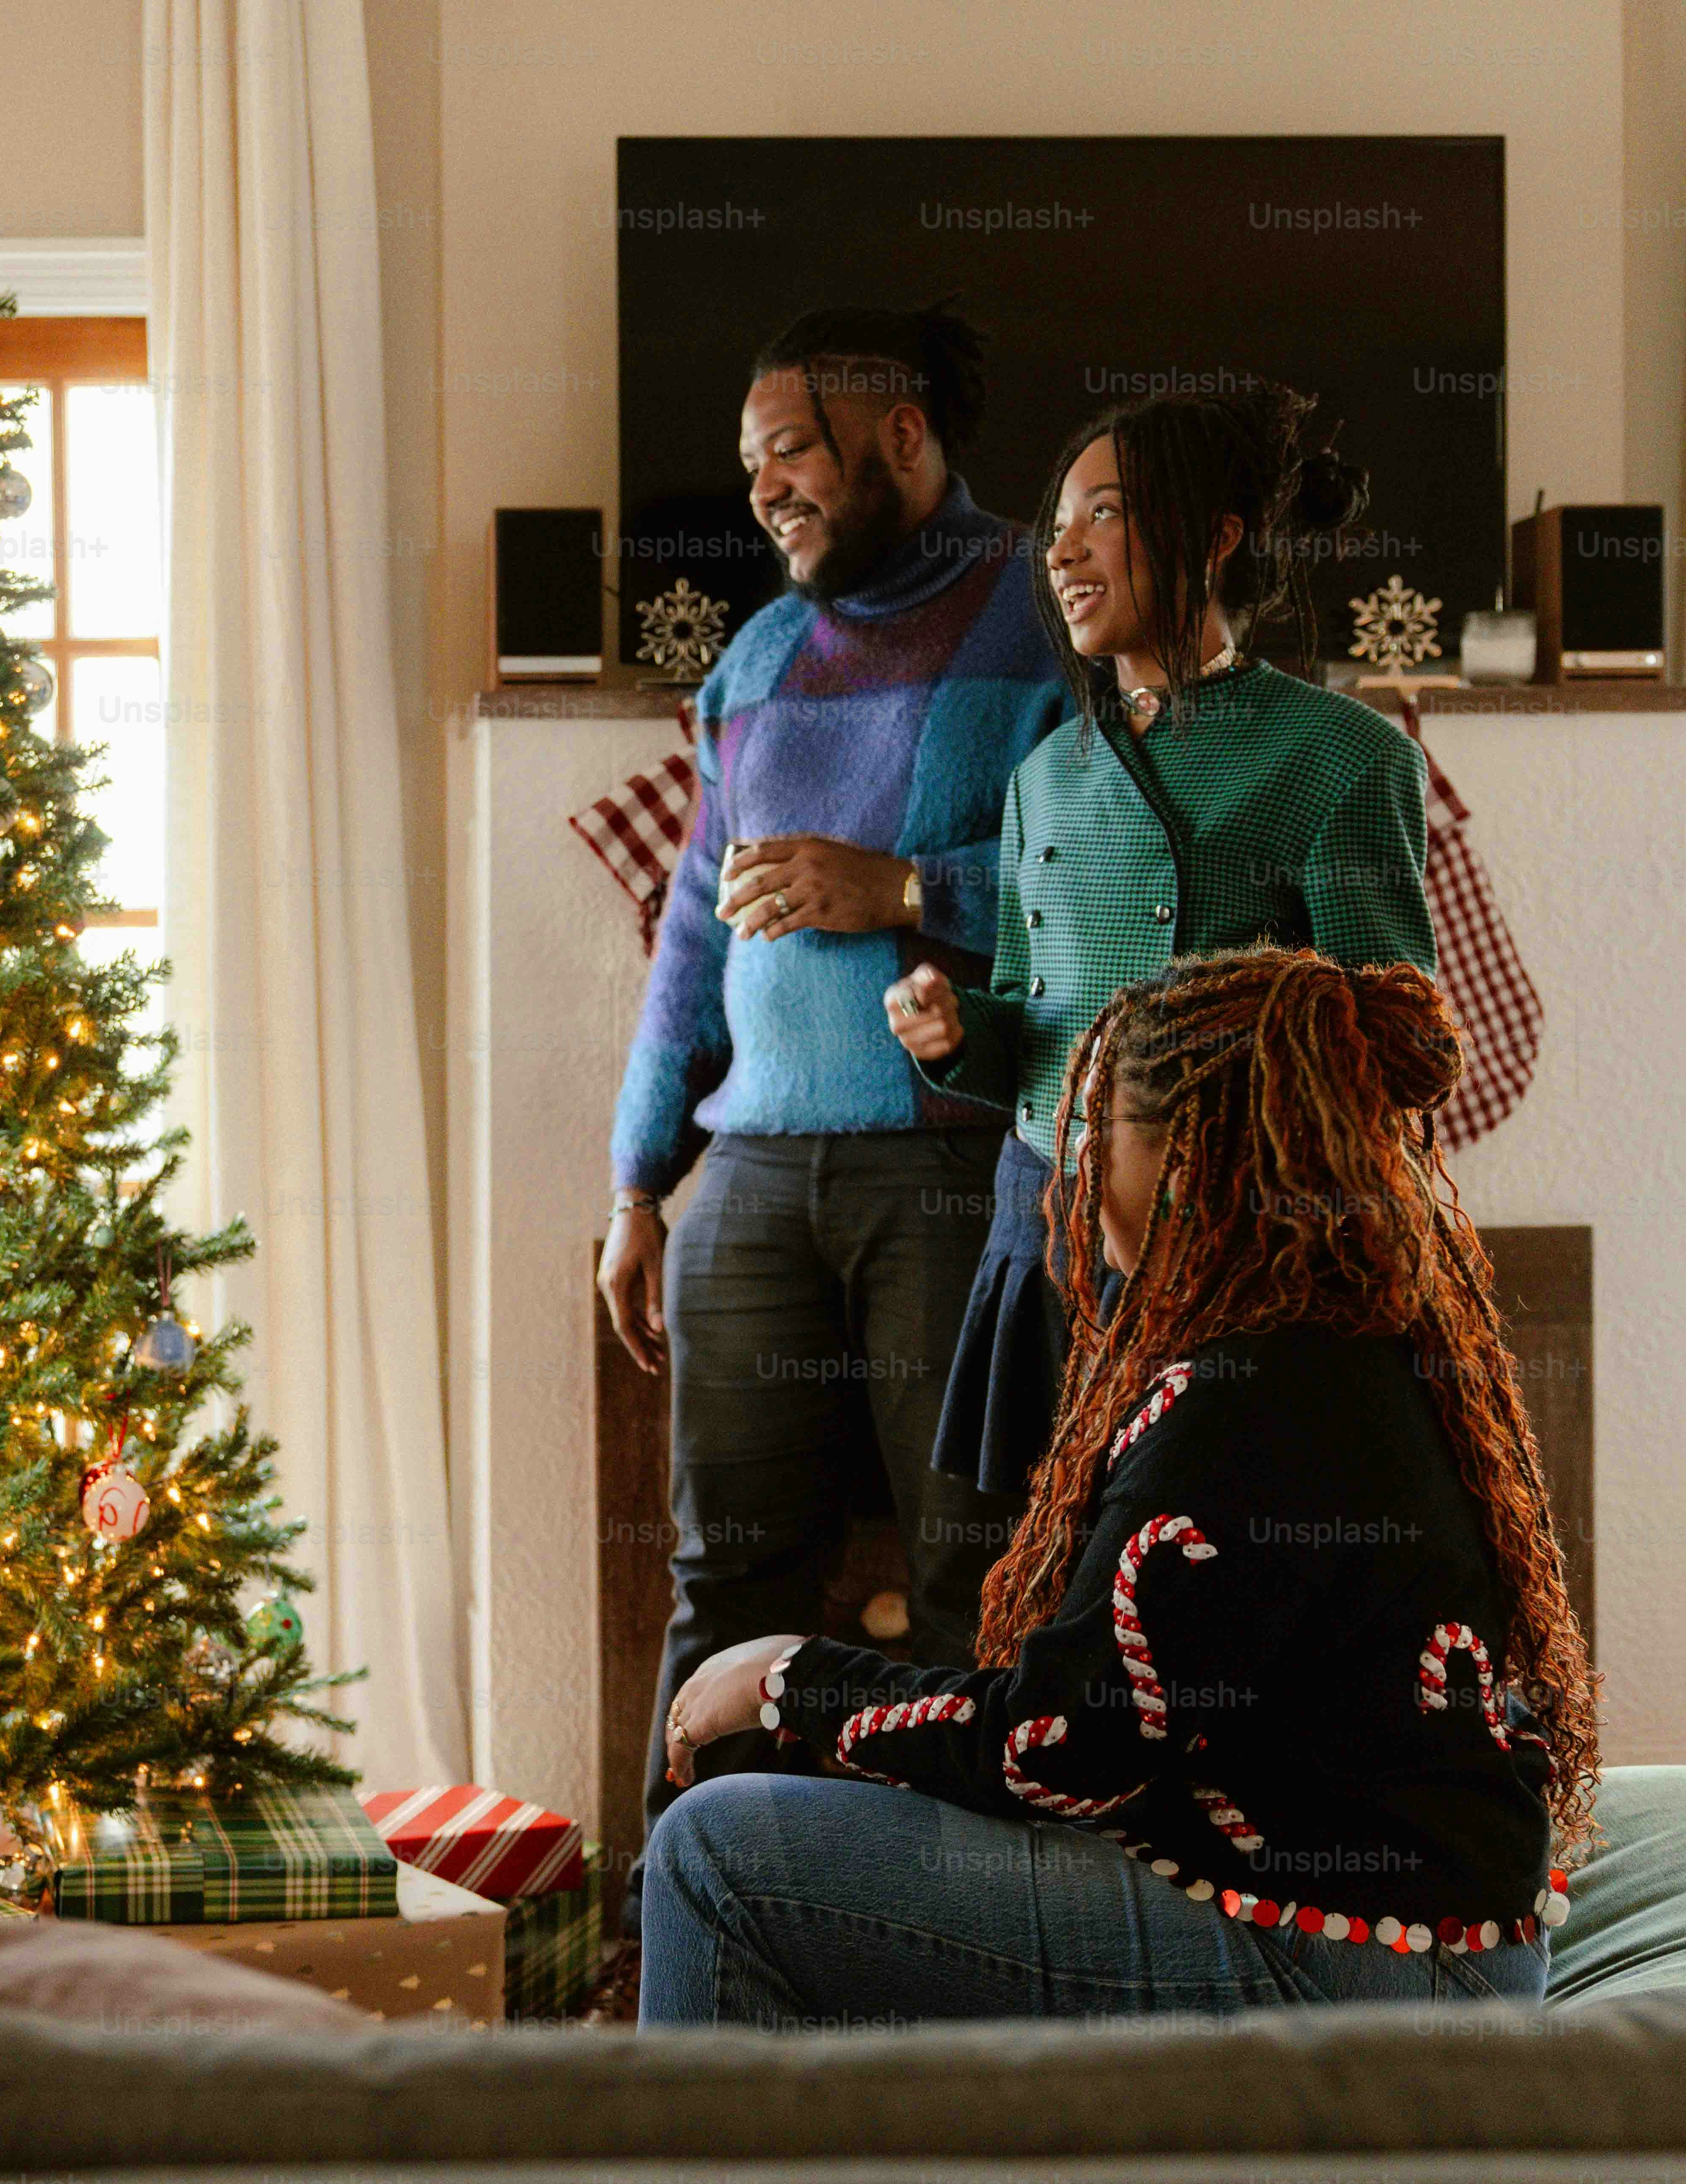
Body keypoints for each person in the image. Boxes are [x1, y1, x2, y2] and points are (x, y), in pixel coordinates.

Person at [642, 948, 1600, 2026]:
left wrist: (792, 1676)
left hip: (1349, 1963)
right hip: (1422, 1943)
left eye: (1098, 1131)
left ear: (1192, 1159)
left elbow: (1057, 1749)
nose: (1074, 1168)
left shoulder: (1240, 1395)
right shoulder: (1356, 1341)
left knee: (711, 1850)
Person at [599, 303, 1064, 1904]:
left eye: (792, 449)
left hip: (951, 1175)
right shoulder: (753, 662)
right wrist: (637, 1179)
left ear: (903, 435)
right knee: (724, 1588)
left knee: (970, 1583)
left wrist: (906, 887)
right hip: (749, 1181)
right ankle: (682, 1946)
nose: (764, 490)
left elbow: (1112, 879)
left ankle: (947, 1954)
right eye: (751, 464)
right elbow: (693, 933)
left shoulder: (1045, 618)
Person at [885, 383, 1437, 1506]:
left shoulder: (1341, 756)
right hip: (1042, 1227)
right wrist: (952, 1033)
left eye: (1104, 514)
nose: (1062, 552)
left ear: (1215, 536)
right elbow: (1032, 1027)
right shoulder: (1043, 776)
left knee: (1196, 1566)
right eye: (1057, 526)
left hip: (1231, 1245)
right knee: (1031, 1575)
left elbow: (1395, 1046)